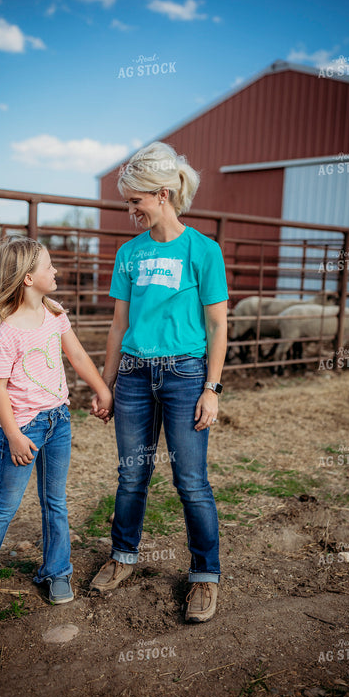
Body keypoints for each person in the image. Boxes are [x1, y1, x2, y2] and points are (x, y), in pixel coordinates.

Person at [90, 141, 228, 623]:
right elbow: (116, 324)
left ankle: (205, 577)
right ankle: (123, 556)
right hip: (131, 376)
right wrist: (105, 385)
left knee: (191, 481)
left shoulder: (203, 251)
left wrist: (212, 388)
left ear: (163, 195)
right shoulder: (129, 254)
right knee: (132, 474)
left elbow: (217, 326)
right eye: (129, 202)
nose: (131, 210)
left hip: (186, 376)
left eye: (136, 201)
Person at [0, 237, 112, 615]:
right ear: (28, 278)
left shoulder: (54, 313)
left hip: (59, 421)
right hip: (24, 428)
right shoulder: (5, 331)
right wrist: (13, 435)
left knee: (54, 502)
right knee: (5, 506)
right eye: (48, 266)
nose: (55, 271)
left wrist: (102, 389)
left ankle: (56, 571)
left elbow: (75, 354)